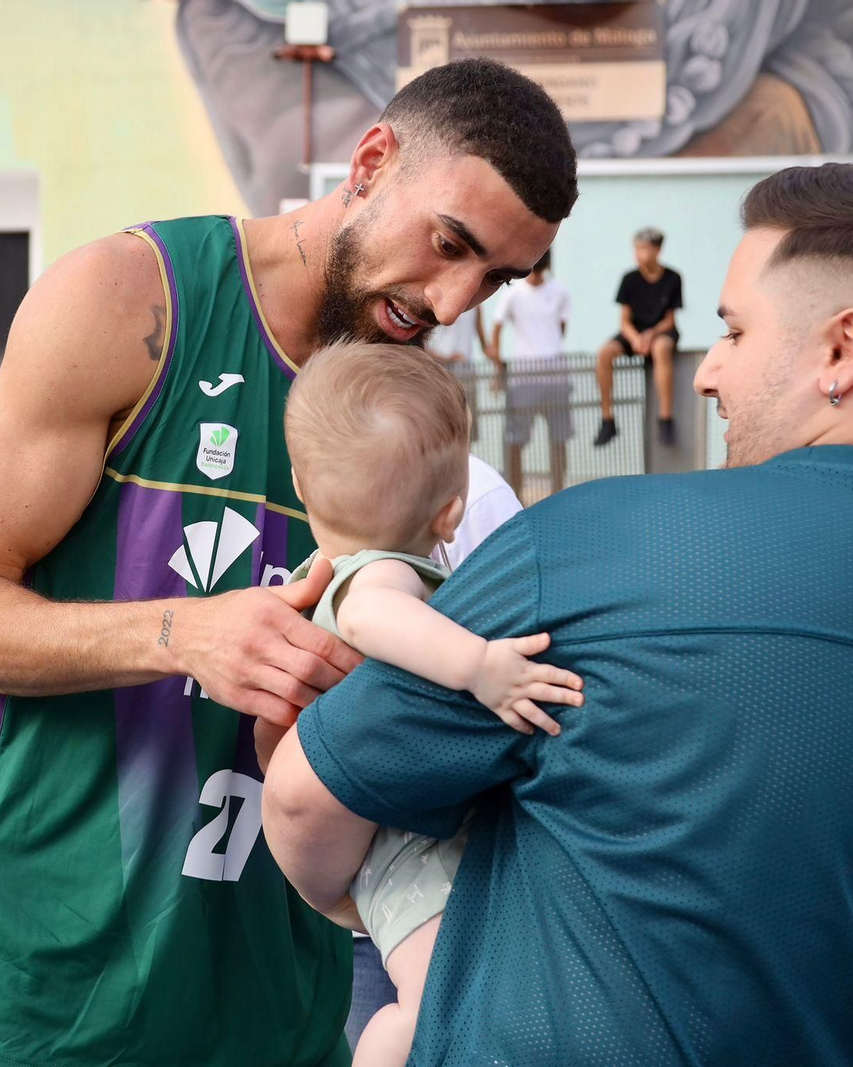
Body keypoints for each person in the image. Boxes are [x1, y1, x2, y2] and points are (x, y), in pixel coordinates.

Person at [262, 163, 853, 1066]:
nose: (707, 372)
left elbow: (308, 799)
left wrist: (387, 903)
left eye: (733, 330)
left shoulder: (601, 544)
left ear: (843, 349)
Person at [0, 58, 576, 1067]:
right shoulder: (133, 297)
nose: (452, 301)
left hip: (273, 991)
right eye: (449, 245)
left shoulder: (411, 414)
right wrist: (183, 631)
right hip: (48, 982)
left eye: (494, 279)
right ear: (371, 161)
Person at [274, 340, 583, 1065]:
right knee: (426, 996)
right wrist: (480, 667)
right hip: (399, 846)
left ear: (297, 481)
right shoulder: (381, 576)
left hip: (400, 824)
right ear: (452, 514)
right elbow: (371, 619)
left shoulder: (347, 567)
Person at [487, 249, 572, 497]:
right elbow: (497, 327)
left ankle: (559, 493)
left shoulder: (560, 292)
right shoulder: (513, 294)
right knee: (516, 440)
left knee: (559, 438)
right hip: (523, 378)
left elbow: (561, 328)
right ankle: (516, 494)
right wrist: (498, 366)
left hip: (556, 376)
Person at [593, 227, 682, 447]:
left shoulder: (673, 278)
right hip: (634, 332)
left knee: (661, 348)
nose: (638, 254)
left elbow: (670, 320)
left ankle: (666, 418)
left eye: (643, 248)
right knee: (604, 354)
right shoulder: (629, 279)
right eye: (636, 248)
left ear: (657, 250)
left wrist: (651, 335)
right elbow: (624, 321)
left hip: (660, 332)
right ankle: (607, 419)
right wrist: (635, 339)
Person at [422, 303, 485, 443]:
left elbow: (484, 342)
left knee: (467, 433)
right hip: (439, 375)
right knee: (441, 431)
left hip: (467, 375)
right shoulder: (437, 302)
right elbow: (422, 346)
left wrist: (499, 371)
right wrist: (447, 358)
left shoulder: (477, 306)